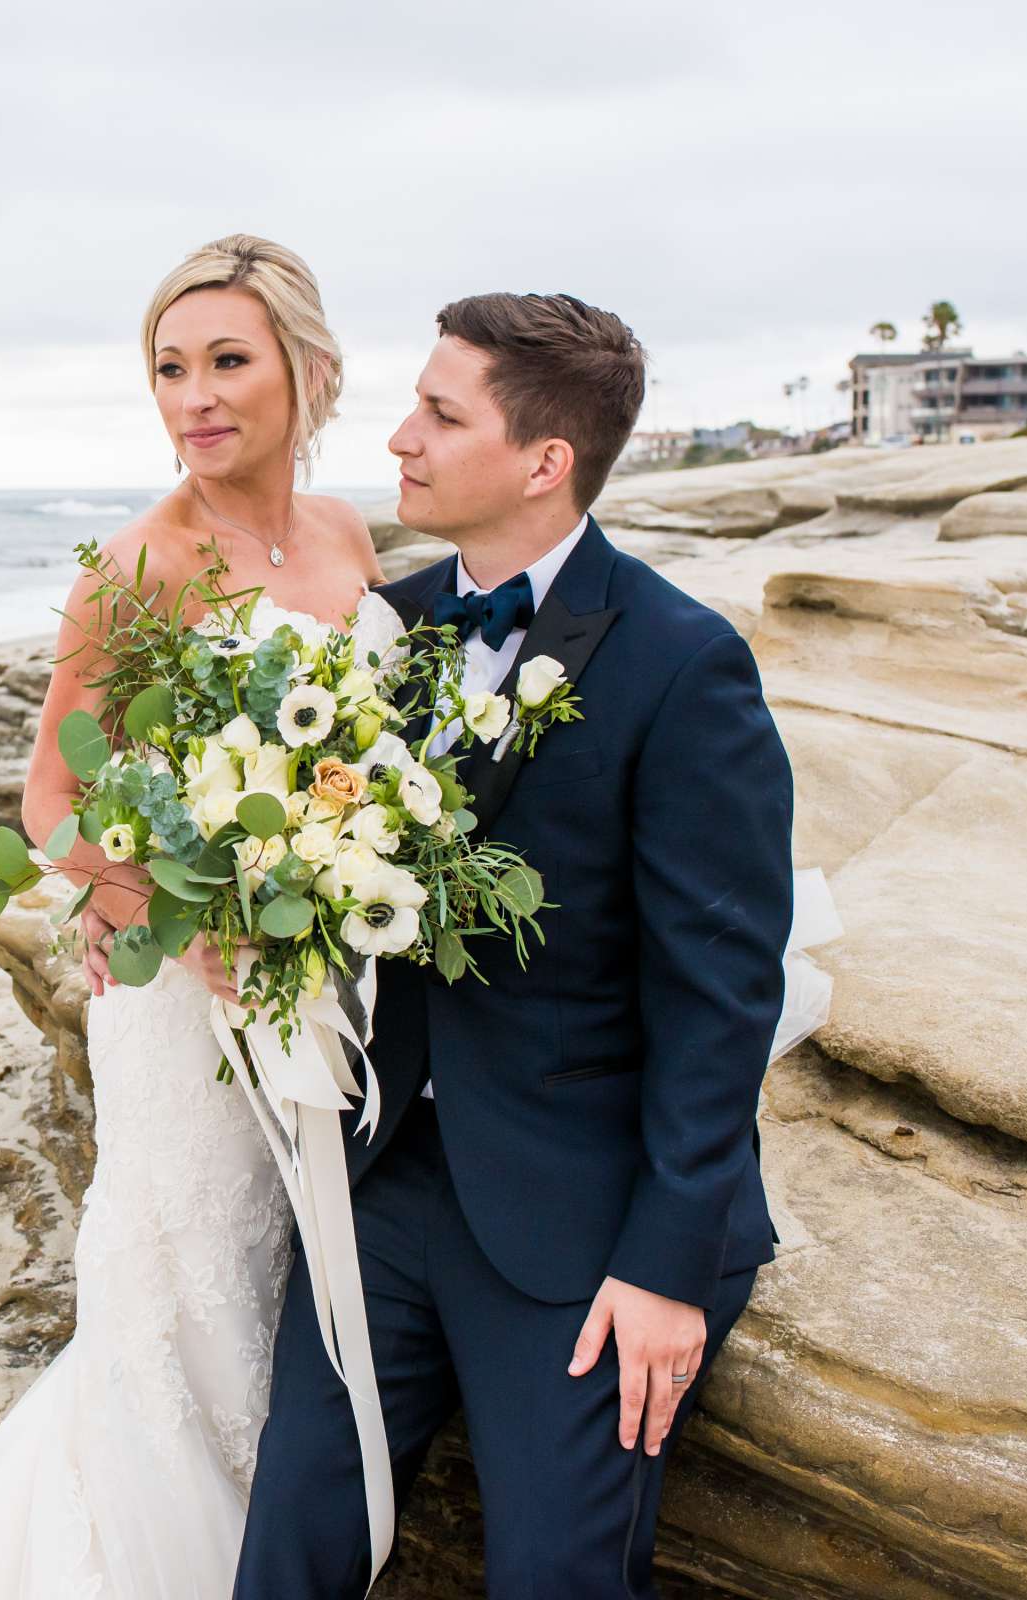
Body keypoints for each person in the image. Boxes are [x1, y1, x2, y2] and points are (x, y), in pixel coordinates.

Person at [231, 292, 814, 1599]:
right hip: (384, 1181)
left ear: (545, 463)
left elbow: (725, 995)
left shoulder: (682, 666)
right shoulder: (389, 630)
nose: (398, 439)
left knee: (559, 1575)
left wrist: (665, 1268)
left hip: (583, 1212)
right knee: (286, 1548)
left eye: (441, 415)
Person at [0, 232, 381, 1599]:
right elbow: (49, 797)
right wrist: (141, 890)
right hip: (184, 986)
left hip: (318, 965)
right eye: (168, 369)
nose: (194, 395)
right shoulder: (137, 566)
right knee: (183, 1268)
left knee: (296, 1269)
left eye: (226, 362)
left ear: (307, 375)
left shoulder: (346, 537)